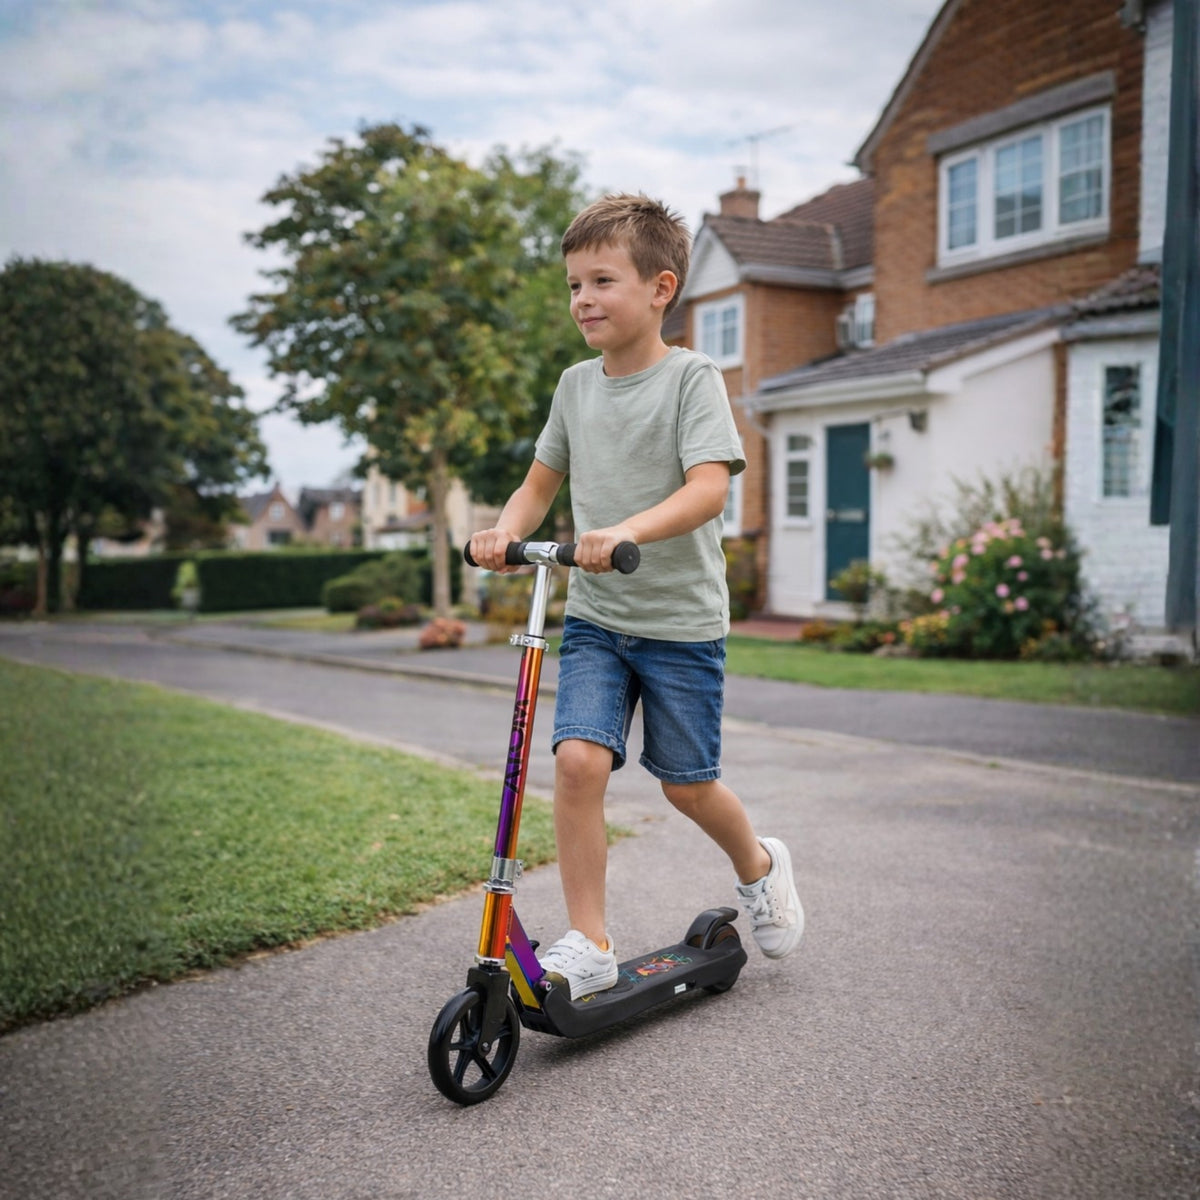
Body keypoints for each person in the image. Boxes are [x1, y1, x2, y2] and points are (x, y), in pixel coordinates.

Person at [468, 193, 803, 1000]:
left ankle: (759, 865)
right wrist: (503, 534)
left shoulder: (693, 378)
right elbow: (538, 483)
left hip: (680, 624)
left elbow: (708, 490)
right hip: (597, 617)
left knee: (686, 783)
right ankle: (589, 939)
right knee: (578, 762)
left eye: (602, 281)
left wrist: (624, 531)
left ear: (660, 288)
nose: (582, 299)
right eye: (574, 285)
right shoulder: (575, 387)